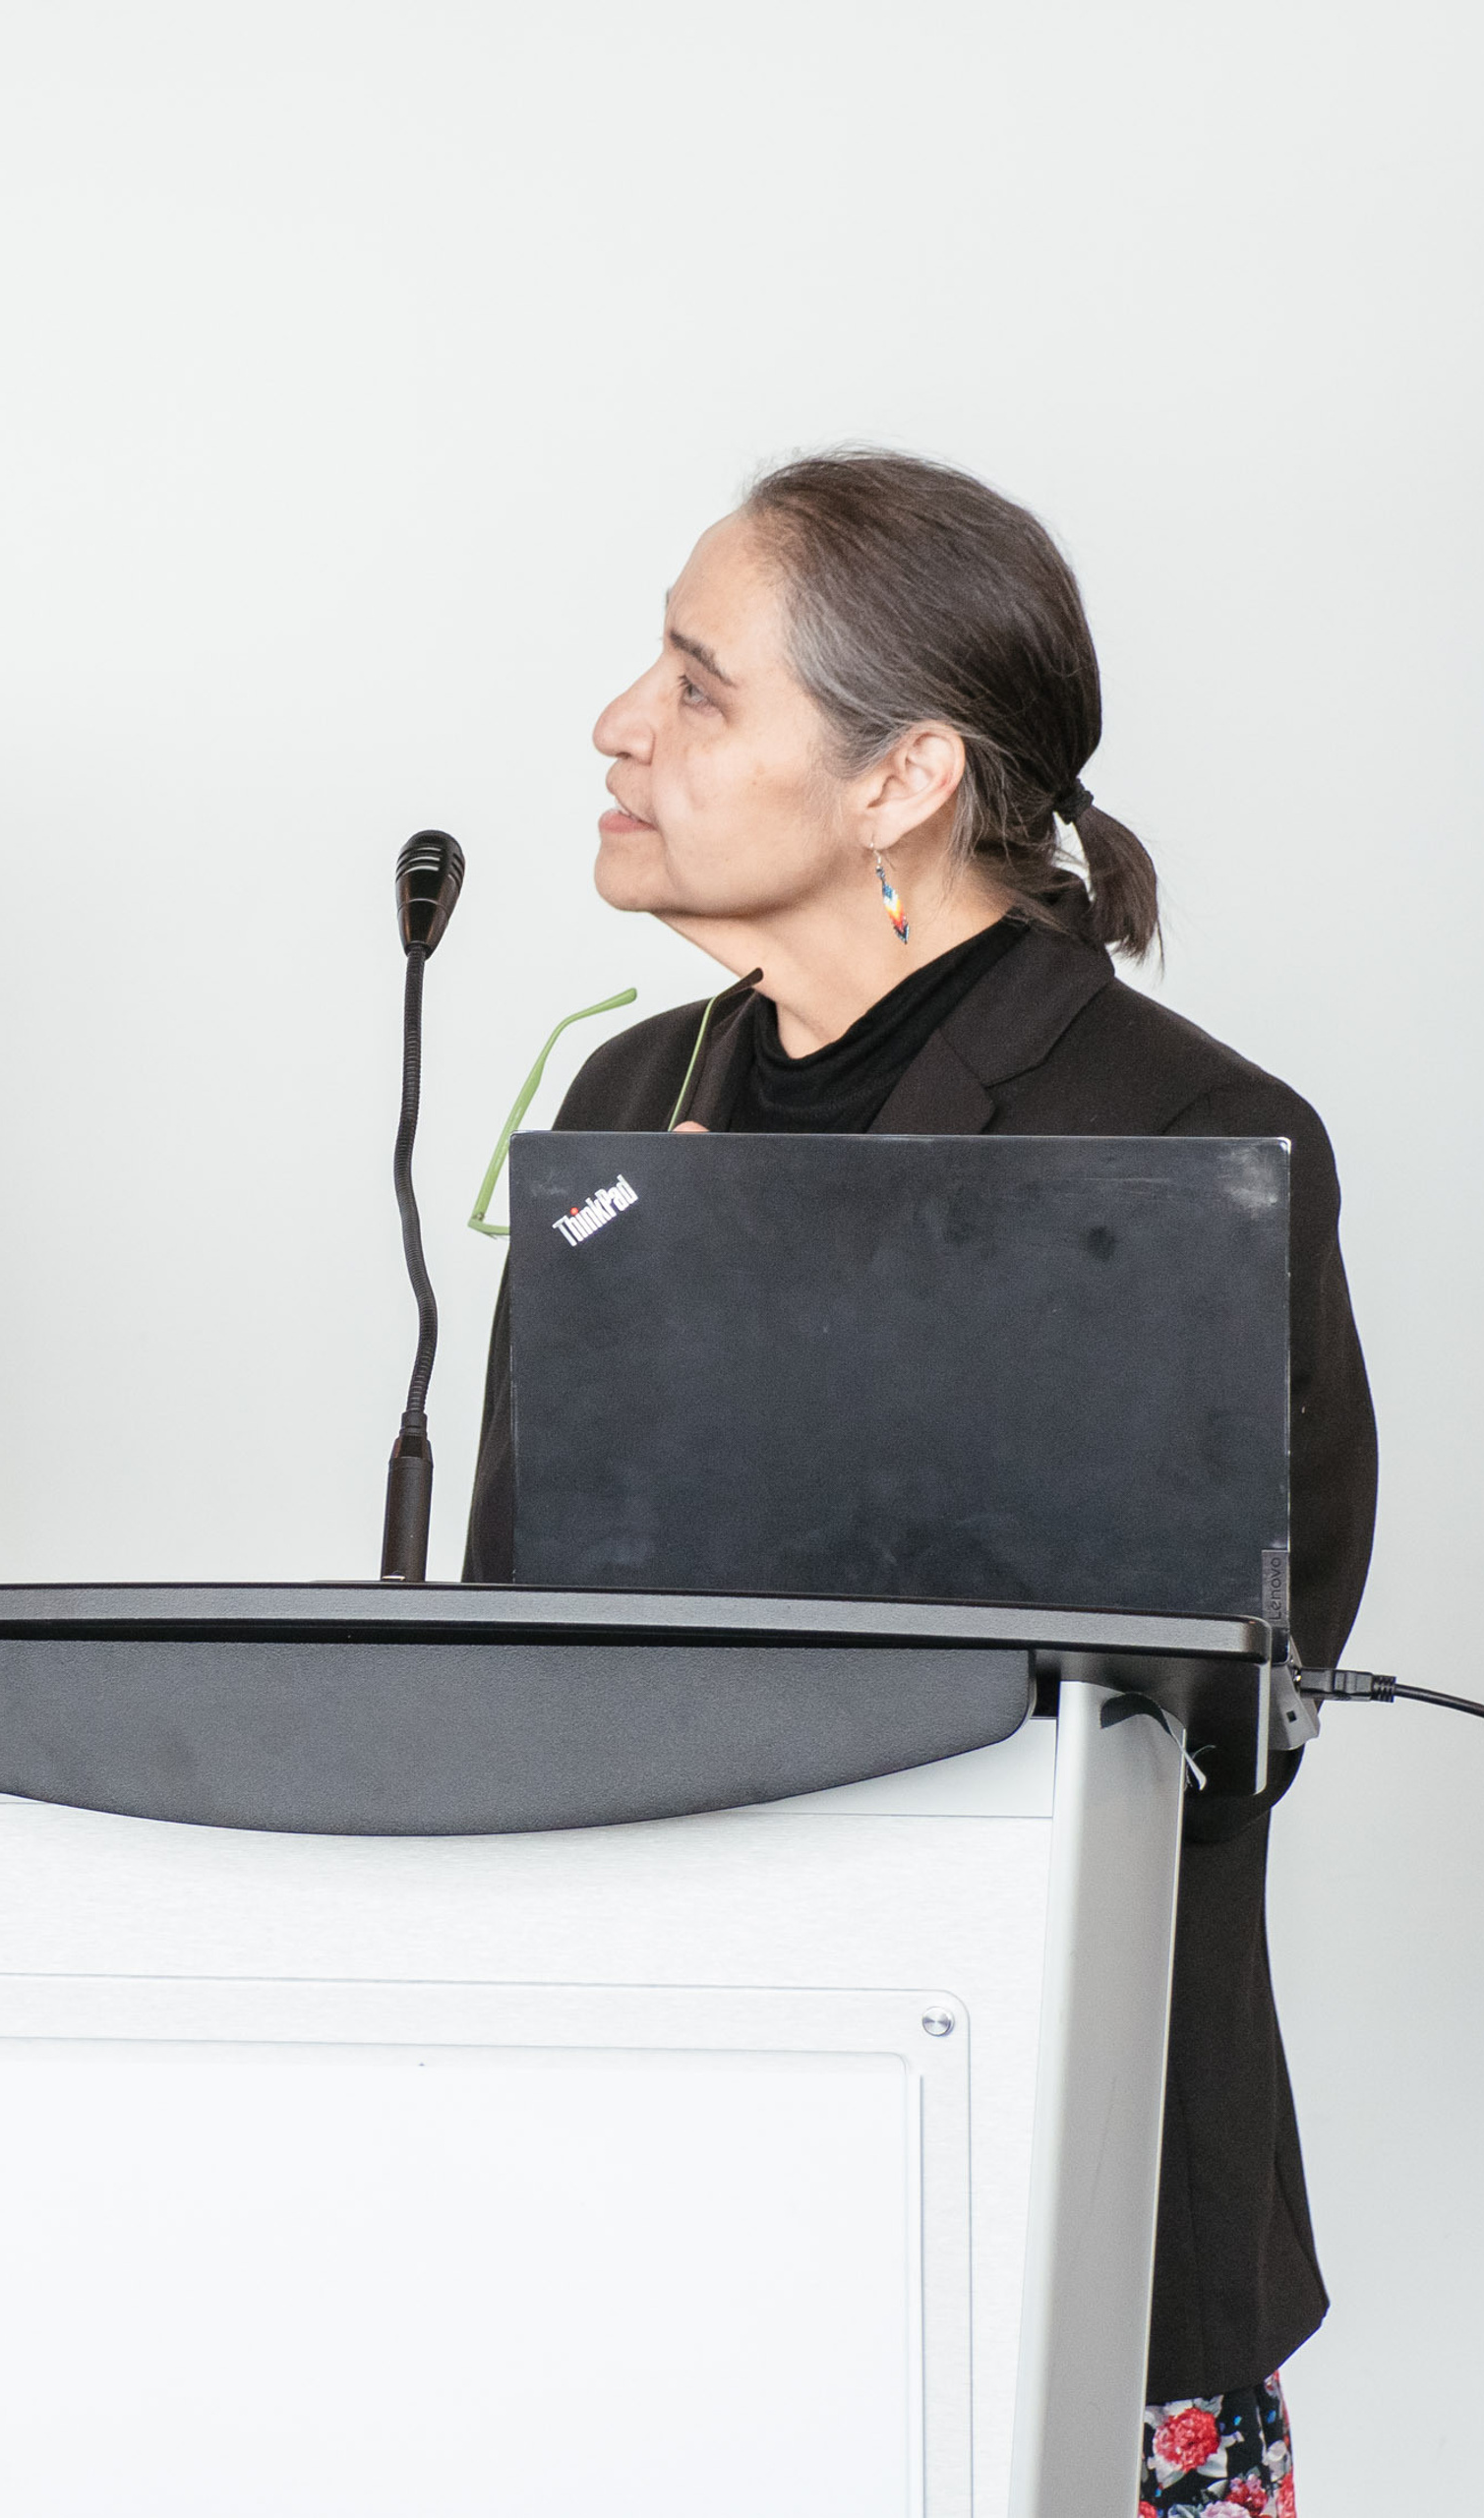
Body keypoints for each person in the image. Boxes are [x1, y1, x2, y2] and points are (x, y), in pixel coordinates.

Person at [466, 450, 1374, 2512]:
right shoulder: (628, 1104)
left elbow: (1237, 1708)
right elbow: (513, 1627)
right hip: (660, 2185)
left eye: (699, 686)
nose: (619, 721)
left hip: (1047, 2184)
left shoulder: (1178, 1136)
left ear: (899, 781)